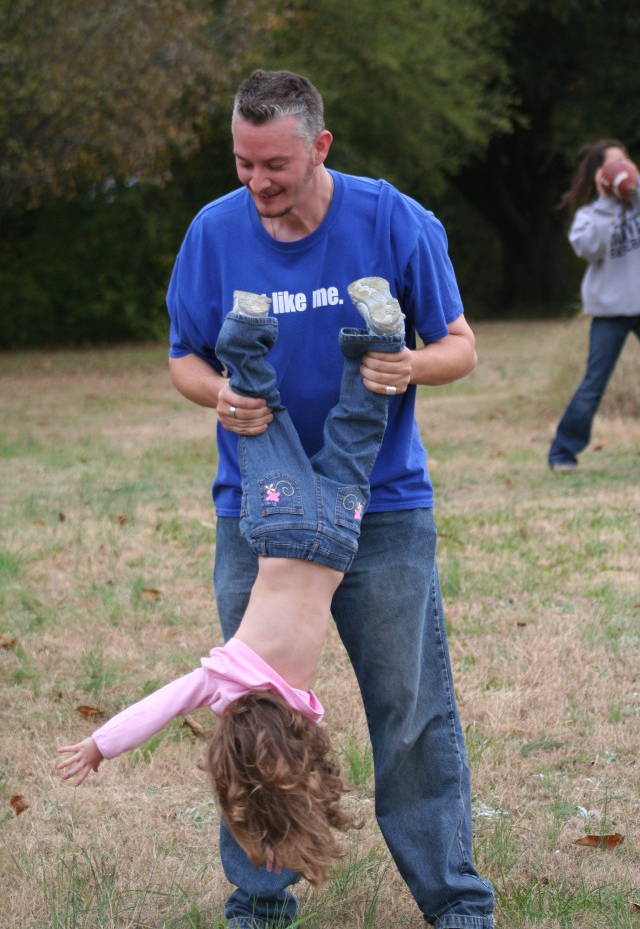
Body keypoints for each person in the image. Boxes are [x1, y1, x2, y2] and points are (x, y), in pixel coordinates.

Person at [166, 69, 495, 929]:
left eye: (274, 164)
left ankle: (455, 902)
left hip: (380, 504)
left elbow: (460, 346)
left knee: (411, 710)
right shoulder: (213, 232)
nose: (256, 183)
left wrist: (409, 364)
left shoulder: (392, 219)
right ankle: (259, 902)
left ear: (319, 147)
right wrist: (219, 394)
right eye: (243, 163)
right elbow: (184, 357)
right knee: (254, 714)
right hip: (258, 510)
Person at [57, 283, 405, 889]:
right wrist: (99, 745)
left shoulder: (301, 708)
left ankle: (382, 338)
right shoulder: (225, 678)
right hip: (283, 519)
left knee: (356, 427)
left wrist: (276, 834)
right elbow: (159, 708)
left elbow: (288, 779)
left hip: (339, 531)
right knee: (261, 420)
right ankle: (245, 334)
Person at [548, 139, 640, 471]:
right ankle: (562, 453)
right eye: (612, 164)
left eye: (625, 161)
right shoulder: (589, 215)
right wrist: (606, 206)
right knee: (593, 385)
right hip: (609, 312)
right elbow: (589, 250)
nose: (621, 168)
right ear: (598, 175)